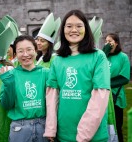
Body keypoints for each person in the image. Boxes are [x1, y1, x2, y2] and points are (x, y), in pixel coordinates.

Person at [43, 9, 110, 142]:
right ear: (63, 30)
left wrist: (84, 134)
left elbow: (100, 96)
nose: (74, 30)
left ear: (86, 29)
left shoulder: (98, 56)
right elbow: (52, 96)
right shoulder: (57, 60)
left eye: (79, 26)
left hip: (92, 135)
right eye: (69, 26)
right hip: (64, 133)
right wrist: (51, 128)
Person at [0, 35, 49, 142]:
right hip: (19, 129)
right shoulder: (10, 75)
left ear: (36, 51)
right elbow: (6, 104)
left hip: (43, 126)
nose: (25, 54)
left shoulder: (46, 73)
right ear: (16, 54)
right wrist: (9, 84)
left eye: (29, 49)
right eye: (21, 51)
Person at [103, 33, 130, 142]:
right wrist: (105, 51)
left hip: (115, 97)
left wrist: (105, 83)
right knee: (104, 127)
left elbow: (124, 77)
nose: (107, 43)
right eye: (106, 41)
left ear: (116, 43)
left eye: (110, 41)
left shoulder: (123, 57)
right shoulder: (104, 56)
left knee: (117, 127)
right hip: (103, 96)